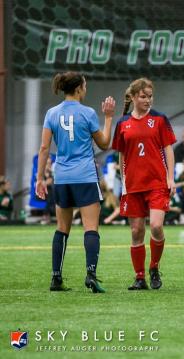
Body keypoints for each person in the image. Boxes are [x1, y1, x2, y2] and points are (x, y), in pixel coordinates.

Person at [35, 71, 114, 293]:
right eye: (85, 86)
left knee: (62, 229)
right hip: (85, 176)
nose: (86, 89)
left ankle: (56, 278)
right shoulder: (88, 113)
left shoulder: (52, 113)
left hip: (62, 178)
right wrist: (108, 117)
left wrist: (40, 179)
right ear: (79, 88)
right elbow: (105, 143)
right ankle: (90, 275)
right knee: (91, 228)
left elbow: (44, 148)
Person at [112, 78, 177, 290]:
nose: (147, 100)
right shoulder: (123, 123)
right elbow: (122, 154)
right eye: (143, 96)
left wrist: (170, 178)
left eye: (150, 96)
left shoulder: (159, 119)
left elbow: (168, 148)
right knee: (136, 231)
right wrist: (123, 180)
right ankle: (139, 277)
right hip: (133, 185)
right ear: (133, 97)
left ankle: (154, 267)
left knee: (156, 226)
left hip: (157, 182)